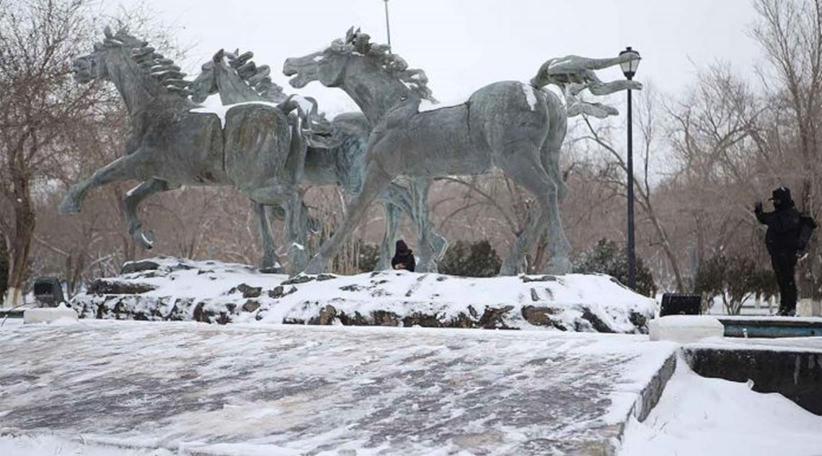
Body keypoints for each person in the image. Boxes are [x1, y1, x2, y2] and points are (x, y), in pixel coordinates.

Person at [755, 186, 801, 316]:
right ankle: (784, 306)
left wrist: (764, 216)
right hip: (777, 253)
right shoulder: (780, 214)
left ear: (784, 200)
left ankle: (790, 306)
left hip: (786, 253)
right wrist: (759, 213)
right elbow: (766, 219)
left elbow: (776, 223)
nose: (775, 203)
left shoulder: (790, 215)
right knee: (782, 280)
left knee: (788, 279)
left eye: (777, 201)